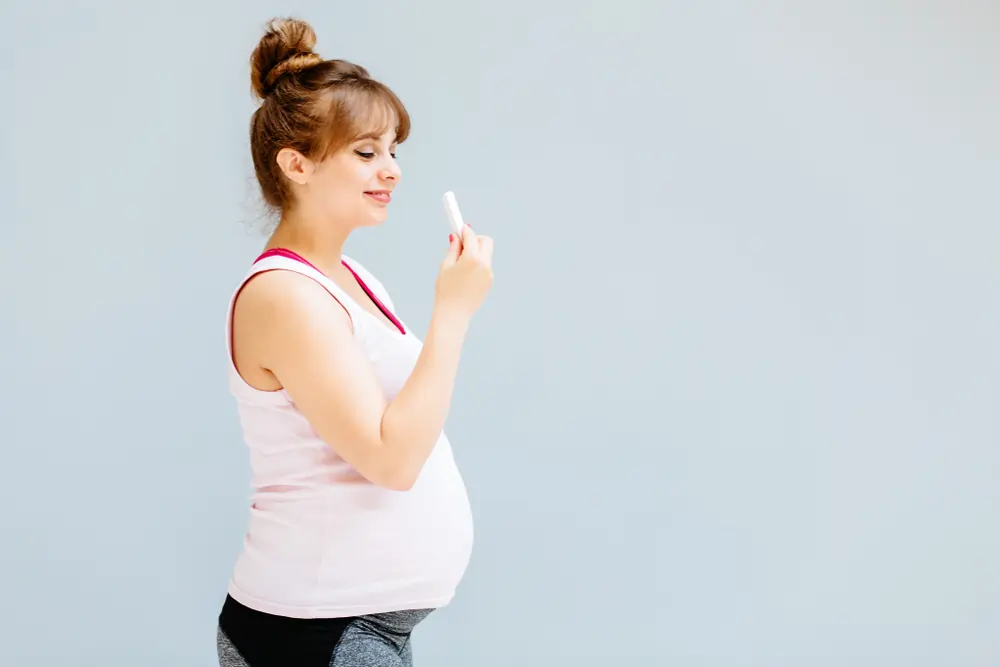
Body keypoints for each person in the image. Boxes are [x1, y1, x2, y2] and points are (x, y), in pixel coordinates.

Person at [215, 17, 493, 667]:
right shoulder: (284, 296)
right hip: (315, 629)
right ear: (297, 163)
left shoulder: (351, 278)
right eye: (366, 152)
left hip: (347, 626)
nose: (392, 171)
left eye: (394, 150)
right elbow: (391, 460)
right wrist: (451, 315)